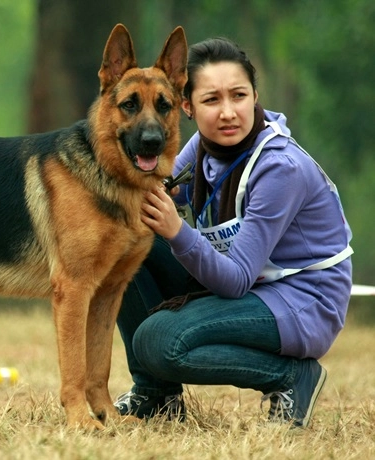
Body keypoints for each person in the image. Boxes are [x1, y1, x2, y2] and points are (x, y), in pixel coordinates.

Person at [113, 36, 353, 428]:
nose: (228, 113)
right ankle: (155, 397)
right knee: (128, 238)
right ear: (186, 107)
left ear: (256, 96)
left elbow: (236, 279)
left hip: (303, 302)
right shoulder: (204, 147)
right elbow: (158, 190)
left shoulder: (280, 168)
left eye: (239, 96)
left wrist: (177, 231)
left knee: (159, 341)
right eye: (211, 100)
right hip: (251, 285)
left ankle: (292, 377)